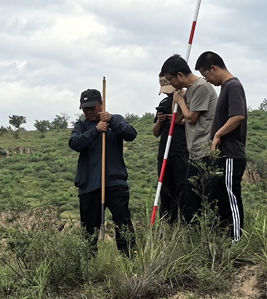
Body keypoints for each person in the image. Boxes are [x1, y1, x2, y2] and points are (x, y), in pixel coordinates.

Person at [69, 87, 137, 253]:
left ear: (101, 104)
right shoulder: (81, 126)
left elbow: (131, 134)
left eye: (92, 107)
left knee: (123, 224)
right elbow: (74, 143)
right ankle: (88, 269)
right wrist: (96, 130)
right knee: (88, 232)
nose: (89, 112)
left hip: (115, 183)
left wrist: (111, 120)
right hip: (89, 186)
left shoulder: (116, 120)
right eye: (85, 109)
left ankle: (130, 261)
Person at [158, 54, 217, 223]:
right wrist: (176, 102)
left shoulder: (201, 87)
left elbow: (191, 118)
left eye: (171, 79)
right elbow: (177, 120)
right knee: (189, 204)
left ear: (180, 75)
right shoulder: (190, 91)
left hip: (206, 152)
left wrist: (180, 101)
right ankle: (191, 239)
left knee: (205, 201)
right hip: (195, 154)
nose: (171, 84)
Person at [195, 50, 247, 241]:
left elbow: (238, 116)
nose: (206, 80)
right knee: (222, 198)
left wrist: (218, 134)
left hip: (231, 154)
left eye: (205, 75)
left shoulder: (232, 86)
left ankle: (236, 240)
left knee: (231, 197)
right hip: (223, 156)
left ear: (214, 68)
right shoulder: (226, 87)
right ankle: (225, 239)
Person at [152, 76, 187, 223]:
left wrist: (176, 120)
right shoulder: (164, 102)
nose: (168, 94)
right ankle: (167, 225)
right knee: (166, 192)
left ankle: (186, 224)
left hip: (181, 151)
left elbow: (192, 120)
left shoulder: (187, 98)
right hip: (165, 153)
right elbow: (155, 132)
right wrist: (161, 120)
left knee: (183, 190)